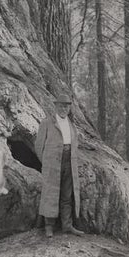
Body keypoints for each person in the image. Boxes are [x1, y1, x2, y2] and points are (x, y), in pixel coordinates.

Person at [33, 83, 83, 239]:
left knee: (67, 194)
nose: (64, 109)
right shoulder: (47, 123)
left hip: (69, 161)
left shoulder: (72, 126)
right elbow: (39, 146)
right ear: (56, 107)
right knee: (50, 193)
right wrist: (47, 162)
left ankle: (67, 225)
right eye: (61, 106)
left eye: (67, 107)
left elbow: (75, 145)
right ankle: (49, 226)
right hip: (52, 163)